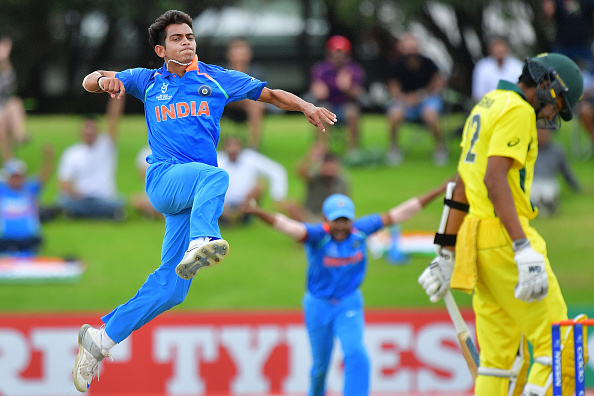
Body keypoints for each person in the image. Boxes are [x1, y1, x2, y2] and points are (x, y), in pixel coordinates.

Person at [73, 10, 336, 393]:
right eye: (177, 38)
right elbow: (89, 82)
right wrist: (105, 79)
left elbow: (271, 94)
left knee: (174, 287)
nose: (187, 42)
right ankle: (203, 239)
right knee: (216, 175)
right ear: (161, 50)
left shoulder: (217, 78)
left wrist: (307, 108)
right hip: (164, 179)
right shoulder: (148, 80)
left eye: (190, 36)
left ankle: (103, 339)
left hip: (192, 194)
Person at [418, 53, 584, 396]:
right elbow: (495, 181)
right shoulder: (518, 110)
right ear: (546, 83)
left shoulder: (486, 104)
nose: (552, 114)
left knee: (498, 362)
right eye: (558, 104)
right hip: (506, 238)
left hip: (476, 243)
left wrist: (446, 252)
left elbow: (463, 184)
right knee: (561, 343)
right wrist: (523, 248)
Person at [245, 182, 447, 396]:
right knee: (320, 368)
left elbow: (402, 212)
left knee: (356, 353)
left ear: (352, 219)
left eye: (345, 221)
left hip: (348, 302)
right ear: (325, 220)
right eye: (336, 221)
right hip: (318, 305)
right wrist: (258, 212)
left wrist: (441, 189)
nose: (341, 227)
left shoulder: (361, 230)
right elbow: (286, 225)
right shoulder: (317, 236)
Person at [57, 97, 126, 221]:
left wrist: (117, 95)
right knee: (62, 200)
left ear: (97, 130)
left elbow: (113, 120)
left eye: (92, 128)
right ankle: (102, 214)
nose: (89, 132)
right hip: (82, 198)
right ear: (81, 131)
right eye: (86, 128)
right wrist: (75, 193)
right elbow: (64, 184)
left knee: (119, 201)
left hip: (104, 198)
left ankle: (81, 214)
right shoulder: (71, 153)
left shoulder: (106, 145)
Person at [385, 32, 448, 166]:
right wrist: (405, 98)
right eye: (408, 48)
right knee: (395, 115)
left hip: (426, 98)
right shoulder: (396, 64)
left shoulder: (428, 62)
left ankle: (440, 147)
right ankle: (394, 148)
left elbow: (438, 82)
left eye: (413, 48)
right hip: (404, 100)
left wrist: (421, 95)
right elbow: (393, 87)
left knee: (430, 115)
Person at [310, 35, 366, 155]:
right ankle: (323, 151)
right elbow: (317, 91)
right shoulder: (320, 69)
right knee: (321, 112)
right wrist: (319, 90)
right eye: (335, 53)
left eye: (342, 53)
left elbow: (359, 94)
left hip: (346, 106)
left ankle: (353, 151)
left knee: (352, 113)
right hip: (328, 105)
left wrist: (347, 88)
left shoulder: (354, 70)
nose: (338, 57)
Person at [217, 135, 288, 226]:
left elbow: (276, 171)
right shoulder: (218, 159)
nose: (232, 149)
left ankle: (240, 215)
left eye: (235, 145)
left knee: (259, 186)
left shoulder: (251, 158)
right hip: (223, 205)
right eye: (229, 146)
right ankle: (228, 217)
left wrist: (278, 197)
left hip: (245, 203)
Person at [0, 147, 54, 256]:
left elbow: (44, 176)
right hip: (5, 237)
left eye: (19, 176)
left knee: (36, 242)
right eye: (14, 177)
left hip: (28, 238)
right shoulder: (2, 190)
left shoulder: (30, 190)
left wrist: (48, 158)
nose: (16, 180)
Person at [285, 144, 350, 222]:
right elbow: (300, 171)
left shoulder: (342, 181)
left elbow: (346, 203)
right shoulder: (315, 176)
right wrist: (310, 158)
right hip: (311, 214)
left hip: (331, 217)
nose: (329, 169)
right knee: (292, 206)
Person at [222, 38, 266, 150]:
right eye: (236, 51)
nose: (240, 55)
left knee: (256, 106)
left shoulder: (256, 72)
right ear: (229, 54)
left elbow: (260, 93)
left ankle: (253, 147)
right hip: (225, 105)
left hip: (248, 105)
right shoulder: (221, 72)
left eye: (243, 52)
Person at [531, 128, 581, 217]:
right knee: (532, 194)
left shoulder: (557, 151)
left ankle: (547, 206)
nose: (542, 135)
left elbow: (566, 172)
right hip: (532, 180)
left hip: (549, 181)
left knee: (548, 193)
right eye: (539, 132)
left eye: (544, 132)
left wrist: (576, 188)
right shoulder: (529, 149)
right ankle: (540, 208)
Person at [542, 0, 594, 72]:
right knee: (552, 71)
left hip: (584, 45)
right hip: (562, 45)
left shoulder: (587, 2)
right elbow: (547, 18)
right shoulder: (557, 2)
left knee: (590, 73)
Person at [0, 37, 28, 163]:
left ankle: (20, 135)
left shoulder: (3, 76)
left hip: (4, 111)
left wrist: (5, 59)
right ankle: (8, 158)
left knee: (14, 103)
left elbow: (9, 78)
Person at [472, 36, 524, 102]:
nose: (499, 51)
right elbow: (478, 94)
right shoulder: (482, 68)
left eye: (501, 48)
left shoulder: (518, 67)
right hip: (490, 105)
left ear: (507, 49)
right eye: (497, 49)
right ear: (491, 50)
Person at [131, 145, 162, 219]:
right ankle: (156, 212)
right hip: (148, 197)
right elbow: (142, 175)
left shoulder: (166, 151)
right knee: (136, 200)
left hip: (163, 195)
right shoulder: (144, 152)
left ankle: (155, 213)